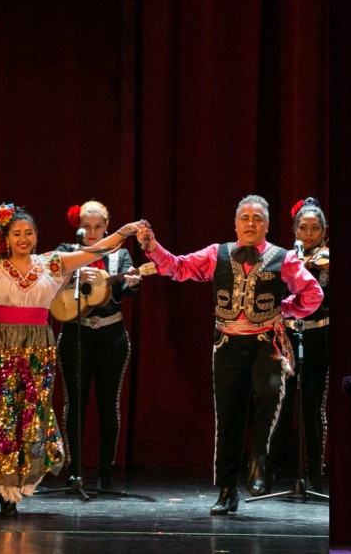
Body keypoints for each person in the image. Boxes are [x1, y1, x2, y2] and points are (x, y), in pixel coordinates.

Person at [0, 176, 145, 516]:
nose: (24, 239)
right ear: (5, 238)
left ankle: (11, 493)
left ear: (36, 236)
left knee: (29, 419)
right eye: (17, 234)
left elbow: (97, 249)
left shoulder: (51, 263)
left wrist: (124, 232)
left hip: (37, 348)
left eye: (29, 233)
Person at [134, 194, 323, 515]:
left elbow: (312, 293)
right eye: (245, 218)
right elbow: (178, 268)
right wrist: (152, 246)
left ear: (267, 225)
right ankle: (226, 490)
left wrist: (286, 310)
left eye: (257, 218)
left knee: (272, 391)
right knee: (229, 417)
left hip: (268, 341)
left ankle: (261, 459)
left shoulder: (284, 258)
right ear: (235, 223)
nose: (250, 223)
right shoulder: (216, 254)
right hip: (228, 345)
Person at [56, 201, 141, 490]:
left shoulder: (121, 255)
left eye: (98, 227)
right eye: (87, 227)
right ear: (78, 226)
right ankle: (74, 470)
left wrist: (130, 281)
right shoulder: (67, 252)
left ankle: (106, 472)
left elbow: (131, 286)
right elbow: (49, 285)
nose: (92, 232)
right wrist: (74, 275)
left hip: (110, 336)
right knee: (74, 403)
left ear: (107, 227)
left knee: (108, 403)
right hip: (75, 334)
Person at [268, 197, 330, 493]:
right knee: (279, 405)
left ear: (324, 232)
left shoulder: (328, 260)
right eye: (303, 228)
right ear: (295, 231)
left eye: (315, 229)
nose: (308, 234)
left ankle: (315, 474)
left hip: (318, 337)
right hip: (287, 336)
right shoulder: (285, 259)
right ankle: (266, 474)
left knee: (312, 407)